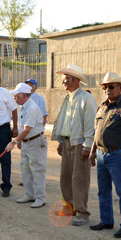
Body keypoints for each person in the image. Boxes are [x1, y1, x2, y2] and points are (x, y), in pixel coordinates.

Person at [89, 72, 121, 238]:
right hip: (101, 154)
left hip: (118, 155)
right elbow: (97, 132)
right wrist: (92, 152)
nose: (107, 90)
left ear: (120, 87)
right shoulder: (102, 106)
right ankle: (107, 220)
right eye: (105, 87)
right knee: (103, 191)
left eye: (111, 87)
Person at [51, 64, 97, 226]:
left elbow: (90, 125)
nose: (63, 81)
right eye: (63, 78)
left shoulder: (87, 99)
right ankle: (69, 208)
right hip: (68, 142)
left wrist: (87, 147)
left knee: (80, 179)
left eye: (66, 78)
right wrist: (61, 141)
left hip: (79, 144)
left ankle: (82, 213)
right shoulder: (68, 98)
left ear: (75, 80)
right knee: (65, 178)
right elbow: (64, 122)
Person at [5, 83, 47, 208]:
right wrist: (21, 141)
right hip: (27, 143)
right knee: (26, 169)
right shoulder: (23, 107)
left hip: (35, 142)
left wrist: (14, 142)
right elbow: (24, 129)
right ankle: (29, 194)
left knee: (37, 170)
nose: (14, 98)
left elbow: (27, 129)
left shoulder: (32, 108)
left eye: (16, 96)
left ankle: (40, 198)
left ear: (24, 96)